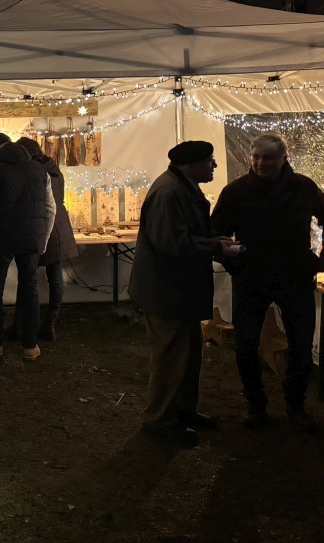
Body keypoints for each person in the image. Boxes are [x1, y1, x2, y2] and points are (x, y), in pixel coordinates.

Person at [211, 133, 324, 432]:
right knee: (245, 345)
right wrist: (233, 263)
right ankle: (255, 405)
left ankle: (296, 406)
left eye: (268, 158)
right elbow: (215, 233)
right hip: (251, 277)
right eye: (256, 156)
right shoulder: (236, 191)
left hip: (294, 276)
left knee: (300, 344)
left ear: (284, 158)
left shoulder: (303, 187)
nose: (261, 163)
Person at [130, 141, 236, 447]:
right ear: (190, 165)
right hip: (166, 290)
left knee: (188, 353)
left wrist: (214, 239)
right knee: (170, 356)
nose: (215, 166)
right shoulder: (168, 192)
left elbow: (188, 232)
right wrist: (215, 246)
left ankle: (182, 410)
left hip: (181, 288)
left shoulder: (183, 187)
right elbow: (172, 243)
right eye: (210, 161)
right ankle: (159, 420)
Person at [0, 132, 55, 361]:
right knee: (30, 289)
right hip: (31, 239)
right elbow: (50, 209)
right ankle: (30, 346)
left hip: (2, 238)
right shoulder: (41, 171)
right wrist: (43, 240)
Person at [16, 137, 79, 342]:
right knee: (55, 276)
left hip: (40, 226)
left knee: (28, 277)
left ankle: (22, 324)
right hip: (59, 225)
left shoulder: (34, 172)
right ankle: (49, 323)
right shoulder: (54, 169)